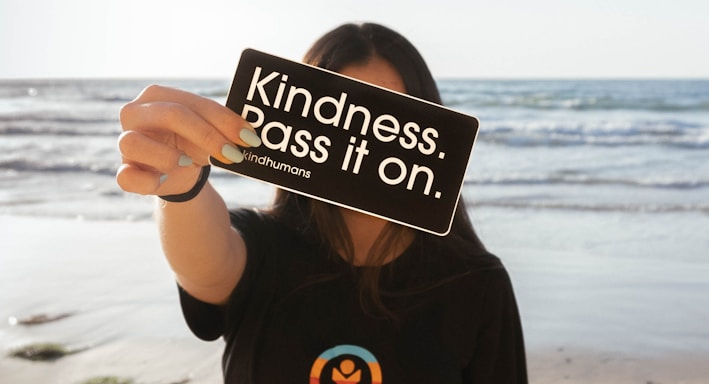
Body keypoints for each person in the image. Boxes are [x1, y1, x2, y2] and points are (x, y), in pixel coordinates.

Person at [117, 22, 527, 383]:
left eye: (390, 122)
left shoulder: (475, 282)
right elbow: (207, 265)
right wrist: (182, 183)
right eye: (347, 116)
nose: (366, 145)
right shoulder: (261, 249)